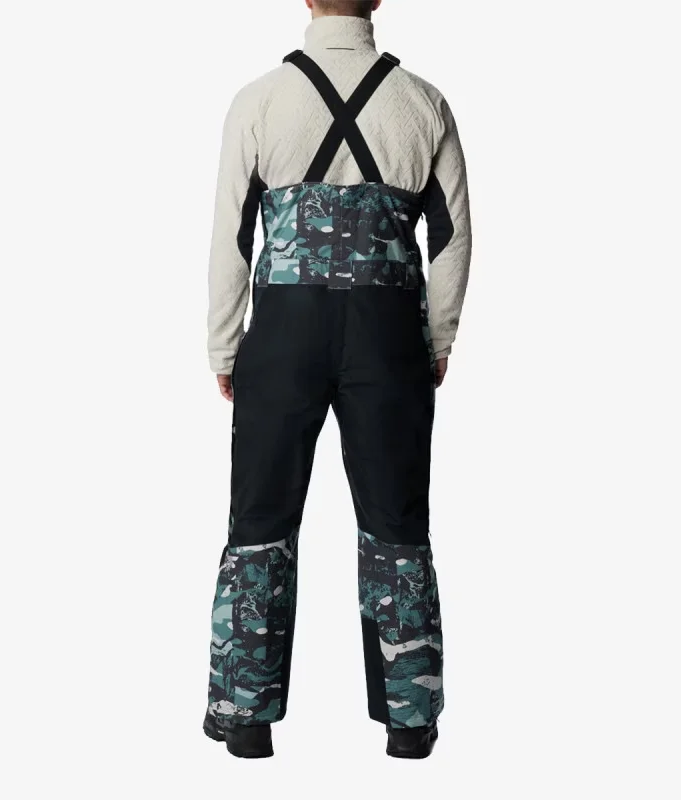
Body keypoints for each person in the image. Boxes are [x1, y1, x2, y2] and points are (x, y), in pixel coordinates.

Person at [204, 0, 471, 759]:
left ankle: (245, 718)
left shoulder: (259, 100)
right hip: (389, 337)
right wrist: (438, 338)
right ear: (377, 0)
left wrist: (224, 346)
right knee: (396, 522)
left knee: (260, 520)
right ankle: (409, 722)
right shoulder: (424, 103)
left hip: (283, 336)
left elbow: (230, 237)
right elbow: (452, 237)